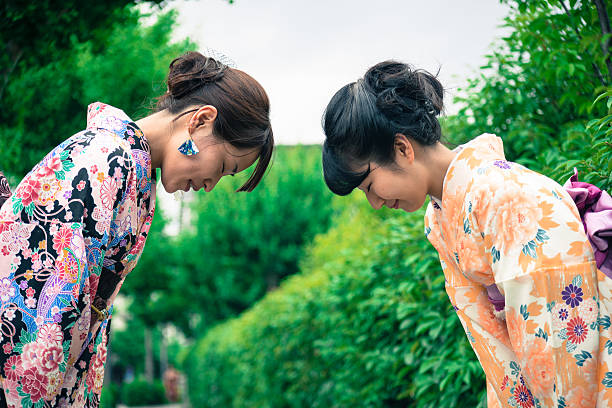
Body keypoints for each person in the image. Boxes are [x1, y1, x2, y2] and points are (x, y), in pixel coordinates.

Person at [321, 60, 612, 407]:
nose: (374, 202)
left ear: (402, 148)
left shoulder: (510, 197)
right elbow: (490, 339)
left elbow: (563, 345)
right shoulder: (440, 218)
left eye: (369, 185)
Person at [0, 51, 274, 407]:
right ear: (201, 121)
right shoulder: (107, 157)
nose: (210, 185)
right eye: (222, 165)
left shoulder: (128, 167)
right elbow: (43, 308)